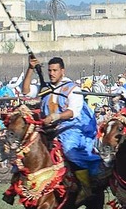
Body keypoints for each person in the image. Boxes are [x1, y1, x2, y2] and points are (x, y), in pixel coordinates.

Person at [24, 55, 104, 186]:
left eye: (55, 70)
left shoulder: (72, 89)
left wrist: (56, 116)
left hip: (70, 129)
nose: (51, 74)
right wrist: (30, 68)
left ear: (62, 71)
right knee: (26, 147)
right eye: (49, 70)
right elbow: (26, 91)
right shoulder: (45, 88)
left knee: (69, 151)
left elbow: (73, 111)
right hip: (47, 129)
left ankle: (88, 182)